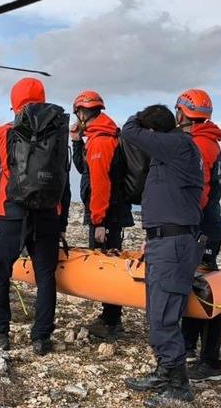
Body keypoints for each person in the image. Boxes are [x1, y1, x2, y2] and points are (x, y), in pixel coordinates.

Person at [0, 77, 70, 356]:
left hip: (11, 215)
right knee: (46, 276)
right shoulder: (58, 135)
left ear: (14, 103)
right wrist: (61, 223)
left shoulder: (3, 133)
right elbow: (63, 183)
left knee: (0, 271)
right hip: (48, 216)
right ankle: (41, 339)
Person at [121, 104, 204, 405]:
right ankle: (164, 371)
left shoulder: (178, 144)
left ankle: (180, 388)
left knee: (164, 316)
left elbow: (129, 131)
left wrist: (137, 117)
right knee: (157, 313)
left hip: (173, 244)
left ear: (155, 132)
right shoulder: (172, 149)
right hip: (163, 241)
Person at [70, 90, 134, 340]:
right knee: (106, 260)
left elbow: (100, 185)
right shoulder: (97, 138)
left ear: (83, 112)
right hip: (109, 213)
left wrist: (98, 221)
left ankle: (111, 321)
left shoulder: (102, 141)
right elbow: (83, 169)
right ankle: (109, 317)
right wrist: (76, 141)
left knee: (106, 265)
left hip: (107, 215)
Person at [175, 89, 221, 383]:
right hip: (206, 224)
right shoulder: (206, 142)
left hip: (201, 227)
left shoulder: (200, 146)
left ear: (183, 113)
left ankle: (210, 362)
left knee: (205, 289)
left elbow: (199, 193)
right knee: (193, 284)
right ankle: (188, 347)